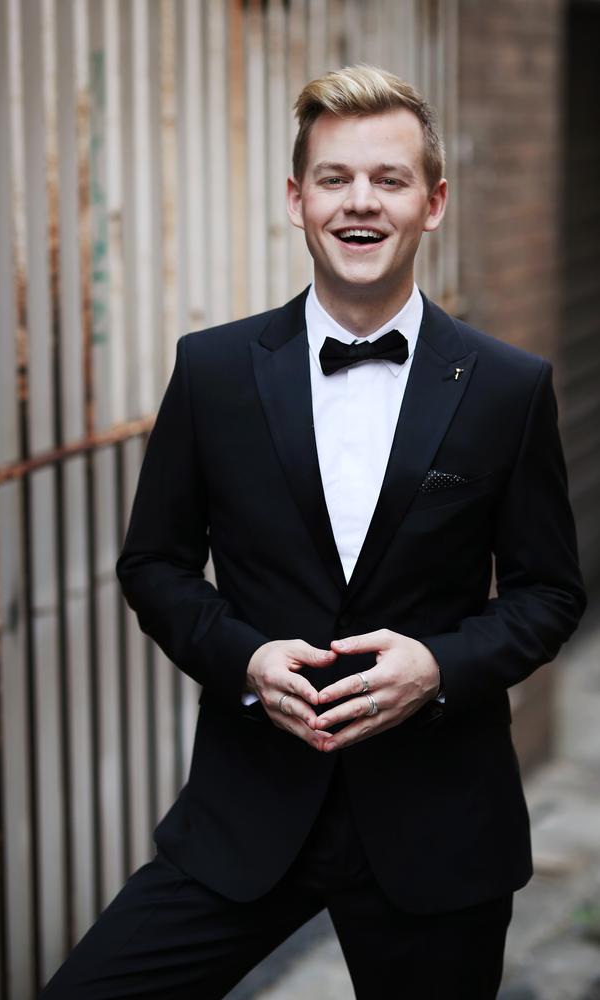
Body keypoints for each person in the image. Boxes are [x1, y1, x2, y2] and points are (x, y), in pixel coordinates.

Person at [41, 64, 586, 1000]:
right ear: (296, 199)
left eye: (390, 178)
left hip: (437, 829)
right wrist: (246, 660)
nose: (360, 203)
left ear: (434, 202)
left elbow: (550, 592)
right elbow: (154, 565)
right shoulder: (213, 372)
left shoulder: (507, 386)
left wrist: (440, 668)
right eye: (334, 178)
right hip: (248, 814)